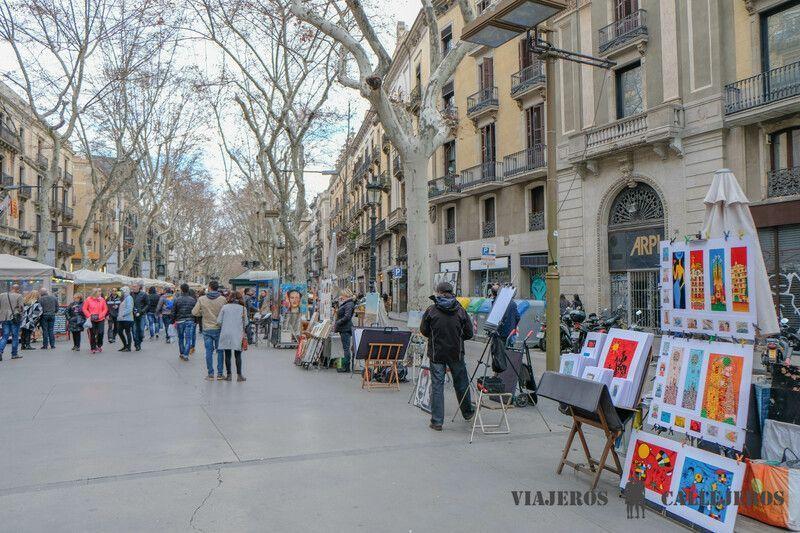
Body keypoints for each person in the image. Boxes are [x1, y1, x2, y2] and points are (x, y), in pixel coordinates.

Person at [420, 282, 475, 431]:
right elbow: (469, 333)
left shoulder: (431, 310)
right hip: (456, 353)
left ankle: (437, 421)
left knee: (438, 385)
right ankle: (467, 412)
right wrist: (457, 338)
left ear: (438, 292)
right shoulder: (461, 311)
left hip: (437, 354)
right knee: (461, 383)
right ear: (452, 292)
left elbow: (424, 330)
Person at [192, 280, 227, 380]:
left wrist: (202, 314)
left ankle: (210, 374)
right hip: (219, 328)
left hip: (207, 328)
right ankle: (220, 374)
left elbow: (194, 312)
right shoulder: (222, 299)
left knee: (208, 351)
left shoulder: (202, 299)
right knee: (220, 351)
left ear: (210, 287)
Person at [217, 291, 247, 382]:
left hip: (226, 332)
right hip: (237, 333)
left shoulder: (224, 307)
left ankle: (229, 375)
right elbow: (246, 322)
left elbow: (218, 321)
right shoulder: (243, 308)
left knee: (227, 354)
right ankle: (239, 376)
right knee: (238, 355)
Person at [0, 283, 25, 360]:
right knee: (15, 336)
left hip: (4, 317)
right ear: (17, 289)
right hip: (14, 318)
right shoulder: (19, 296)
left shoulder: (2, 295)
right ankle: (14, 354)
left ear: (11, 288)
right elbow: (21, 308)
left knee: (5, 336)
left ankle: (0, 351)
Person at [173, 283, 197, 361]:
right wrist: (195, 321)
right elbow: (195, 311)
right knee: (188, 338)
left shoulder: (177, 299)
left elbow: (174, 311)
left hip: (180, 321)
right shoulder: (193, 300)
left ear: (181, 289)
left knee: (180, 338)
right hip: (190, 321)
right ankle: (186, 355)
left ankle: (182, 353)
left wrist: (173, 320)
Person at [334, 288, 355, 373]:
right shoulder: (346, 303)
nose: (341, 296)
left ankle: (346, 367)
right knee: (345, 348)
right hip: (344, 328)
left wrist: (338, 322)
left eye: (342, 295)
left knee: (346, 348)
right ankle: (345, 366)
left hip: (345, 328)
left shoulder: (349, 304)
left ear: (345, 295)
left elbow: (347, 317)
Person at [82, 288, 109, 354]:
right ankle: (93, 347)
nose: (100, 293)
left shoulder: (102, 299)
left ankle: (99, 344)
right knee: (92, 334)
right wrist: (89, 316)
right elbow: (84, 309)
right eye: (99, 292)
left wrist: (100, 316)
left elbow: (105, 309)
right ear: (94, 293)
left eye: (100, 291)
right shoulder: (88, 299)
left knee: (101, 332)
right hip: (91, 319)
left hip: (100, 319)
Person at [131, 283, 148, 351]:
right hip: (133, 315)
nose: (133, 288)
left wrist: (142, 311)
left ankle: (140, 340)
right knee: (134, 330)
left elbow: (147, 304)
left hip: (141, 315)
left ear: (138, 287)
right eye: (133, 287)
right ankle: (137, 344)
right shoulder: (130, 294)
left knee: (141, 329)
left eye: (135, 286)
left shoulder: (143, 294)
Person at [117, 286, 134, 352]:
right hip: (121, 319)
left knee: (127, 332)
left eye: (121, 291)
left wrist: (122, 314)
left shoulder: (129, 298)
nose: (120, 292)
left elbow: (129, 308)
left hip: (128, 319)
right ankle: (125, 345)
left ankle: (128, 347)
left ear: (125, 291)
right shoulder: (123, 298)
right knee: (119, 331)